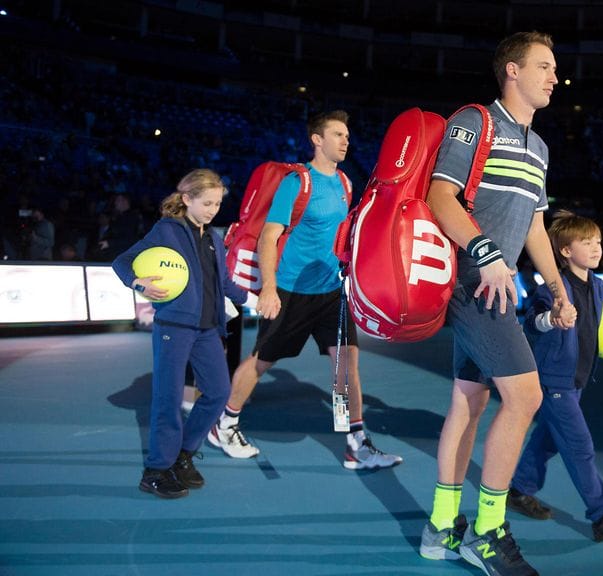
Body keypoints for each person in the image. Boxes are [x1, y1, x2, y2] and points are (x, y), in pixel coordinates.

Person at [418, 31, 576, 576]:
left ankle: (441, 527)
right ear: (513, 70)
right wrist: (484, 251)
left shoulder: (540, 148)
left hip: (498, 285)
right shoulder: (475, 120)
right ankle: (487, 532)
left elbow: (534, 226)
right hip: (471, 281)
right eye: (544, 66)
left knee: (469, 403)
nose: (554, 77)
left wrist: (558, 288)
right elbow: (440, 195)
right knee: (526, 396)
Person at [208, 109, 402, 471]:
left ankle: (354, 441)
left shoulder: (344, 182)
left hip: (331, 292)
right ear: (317, 139)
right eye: (338, 134)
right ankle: (225, 424)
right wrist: (269, 289)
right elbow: (269, 237)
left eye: (347, 136)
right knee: (261, 361)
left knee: (345, 367)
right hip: (291, 291)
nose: (346, 141)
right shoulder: (296, 183)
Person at [112, 169, 251, 499]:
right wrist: (137, 282)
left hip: (207, 329)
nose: (213, 210)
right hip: (173, 327)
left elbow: (224, 283)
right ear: (187, 199)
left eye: (217, 204)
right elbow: (122, 262)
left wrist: (255, 299)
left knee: (218, 392)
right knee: (169, 398)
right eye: (207, 203)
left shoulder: (213, 238)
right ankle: (156, 471)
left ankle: (183, 454)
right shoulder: (167, 230)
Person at [508, 210, 603, 542]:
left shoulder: (598, 287)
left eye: (598, 241)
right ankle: (602, 516)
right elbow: (532, 323)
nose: (596, 248)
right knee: (579, 445)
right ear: (566, 251)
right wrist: (551, 319)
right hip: (554, 381)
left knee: (549, 438)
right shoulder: (554, 289)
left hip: (576, 379)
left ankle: (520, 489)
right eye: (587, 242)